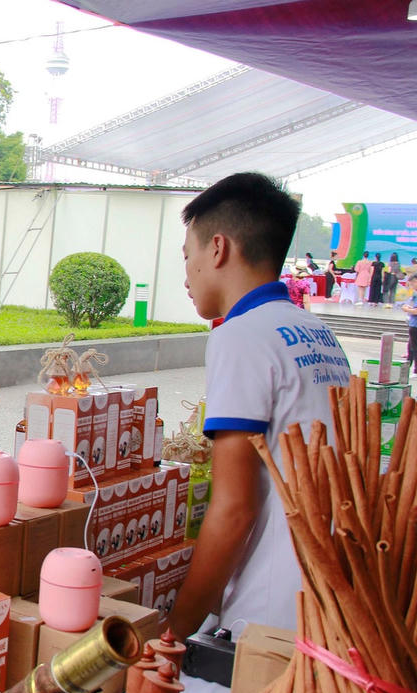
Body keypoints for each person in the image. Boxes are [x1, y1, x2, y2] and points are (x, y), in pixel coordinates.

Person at [168, 172, 350, 638]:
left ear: (218, 249)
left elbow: (234, 509)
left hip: (272, 611)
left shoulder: (240, 336)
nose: (186, 274)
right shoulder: (315, 332)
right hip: (329, 592)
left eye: (188, 256)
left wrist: (173, 631)